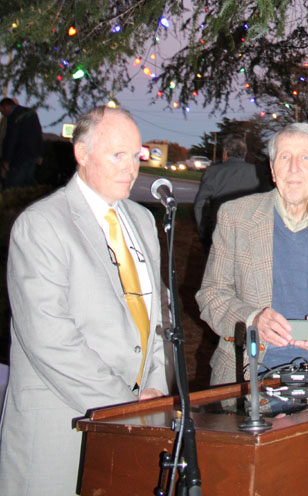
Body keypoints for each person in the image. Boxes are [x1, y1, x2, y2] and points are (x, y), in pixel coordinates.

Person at [0, 105, 170, 496]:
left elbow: (157, 319)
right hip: (61, 426)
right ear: (82, 153)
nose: (131, 168)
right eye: (117, 155)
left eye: (135, 155)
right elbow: (50, 339)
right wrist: (125, 407)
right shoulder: (41, 225)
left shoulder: (143, 221)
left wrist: (153, 394)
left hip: (133, 421)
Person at [196, 121, 308, 384]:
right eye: (284, 157)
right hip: (247, 377)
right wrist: (252, 320)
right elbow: (211, 296)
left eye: (304, 157)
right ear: (272, 169)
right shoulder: (235, 217)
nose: (294, 168)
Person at [193, 133, 265, 246]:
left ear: (225, 153)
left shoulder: (213, 172)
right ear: (244, 154)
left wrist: (202, 230)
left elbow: (199, 204)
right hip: (247, 237)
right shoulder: (257, 173)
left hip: (218, 234)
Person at [0, 96, 44, 188]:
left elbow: (11, 138)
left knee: (13, 184)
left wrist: (6, 159)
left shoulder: (14, 117)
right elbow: (38, 133)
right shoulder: (31, 113)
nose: (3, 114)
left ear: (6, 107)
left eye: (2, 111)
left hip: (19, 156)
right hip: (32, 154)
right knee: (28, 181)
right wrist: (40, 153)